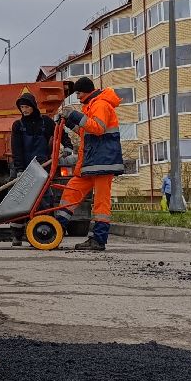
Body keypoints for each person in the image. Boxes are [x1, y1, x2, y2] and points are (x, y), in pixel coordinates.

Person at [56, 77, 125, 252]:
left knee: (101, 203)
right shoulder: (92, 105)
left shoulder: (100, 104)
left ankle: (98, 240)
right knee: (71, 191)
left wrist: (74, 115)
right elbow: (87, 132)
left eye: (78, 93)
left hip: (103, 162)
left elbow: (98, 128)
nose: (77, 97)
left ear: (86, 91)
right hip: (92, 163)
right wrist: (70, 122)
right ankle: (56, 228)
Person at [8, 92, 54, 246]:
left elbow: (60, 134)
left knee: (44, 200)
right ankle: (17, 235)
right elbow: (16, 149)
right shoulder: (18, 126)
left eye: (27, 106)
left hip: (41, 167)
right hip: (24, 168)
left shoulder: (46, 123)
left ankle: (43, 231)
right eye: (22, 107)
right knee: (19, 201)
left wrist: (67, 147)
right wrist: (19, 169)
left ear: (33, 106)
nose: (24, 110)